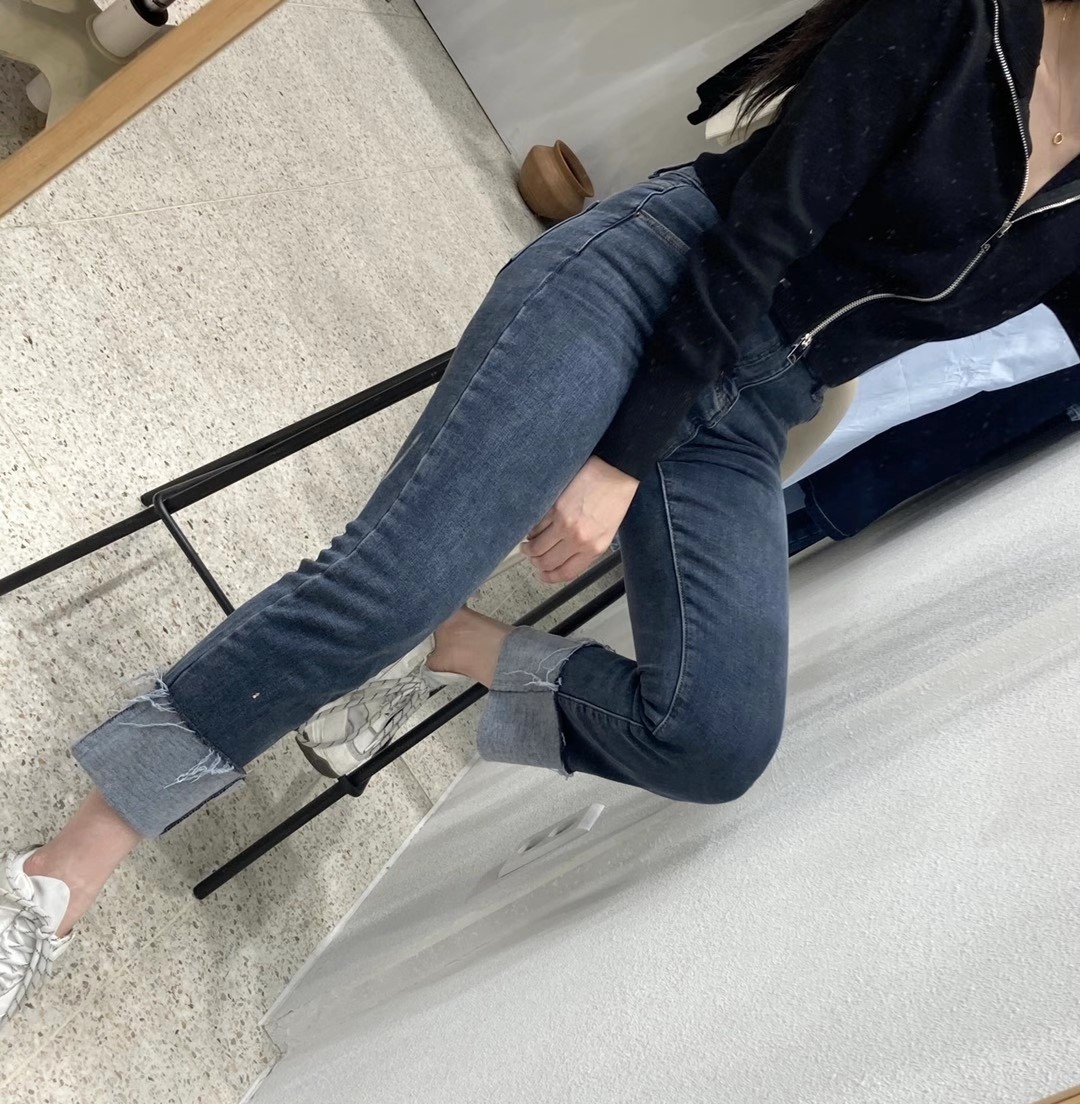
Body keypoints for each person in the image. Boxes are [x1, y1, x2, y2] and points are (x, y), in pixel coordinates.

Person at [2, 0, 1078, 1028]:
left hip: (756, 407)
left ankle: (459, 645)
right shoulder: (962, 20)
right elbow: (757, 235)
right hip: (658, 282)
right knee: (386, 588)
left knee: (717, 741)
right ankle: (58, 877)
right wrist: (621, 456)